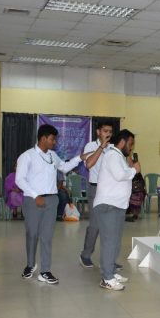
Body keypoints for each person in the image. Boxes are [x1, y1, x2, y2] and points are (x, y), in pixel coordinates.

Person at [15, 124, 85, 284]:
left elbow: (64, 168)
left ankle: (45, 271)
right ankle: (30, 265)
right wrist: (35, 195)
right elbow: (20, 179)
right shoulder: (27, 156)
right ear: (43, 138)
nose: (55, 142)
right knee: (32, 234)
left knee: (47, 236)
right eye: (53, 139)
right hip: (33, 200)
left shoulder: (53, 155)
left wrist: (79, 158)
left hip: (52, 200)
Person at [94, 129, 140, 291]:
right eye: (130, 144)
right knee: (109, 242)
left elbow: (122, 175)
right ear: (122, 142)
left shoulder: (119, 156)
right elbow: (120, 175)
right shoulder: (112, 155)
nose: (131, 147)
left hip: (117, 206)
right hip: (108, 206)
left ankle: (111, 272)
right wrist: (134, 170)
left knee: (115, 242)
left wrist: (130, 168)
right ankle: (107, 278)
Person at [79, 121, 114, 268]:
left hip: (110, 190)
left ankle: (109, 259)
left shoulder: (113, 148)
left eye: (110, 132)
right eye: (105, 131)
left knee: (110, 226)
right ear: (98, 132)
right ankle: (85, 255)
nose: (108, 134)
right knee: (95, 225)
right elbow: (89, 164)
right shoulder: (91, 146)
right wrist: (101, 147)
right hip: (95, 189)